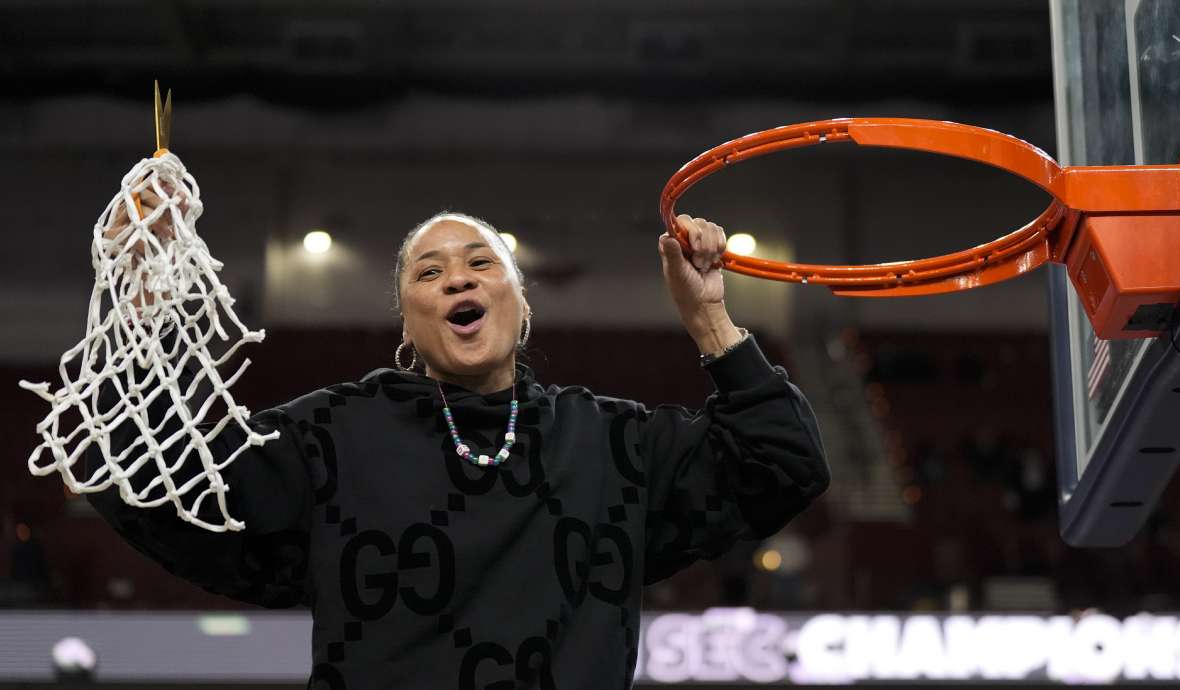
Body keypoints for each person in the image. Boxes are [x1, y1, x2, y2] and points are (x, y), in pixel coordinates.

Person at [86, 185, 830, 689]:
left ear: (520, 305)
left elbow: (783, 462)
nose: (456, 278)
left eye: (480, 263)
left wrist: (709, 319)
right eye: (427, 273)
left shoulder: (610, 443)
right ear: (407, 324)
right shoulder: (333, 434)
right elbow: (153, 483)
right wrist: (139, 310)